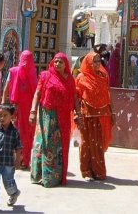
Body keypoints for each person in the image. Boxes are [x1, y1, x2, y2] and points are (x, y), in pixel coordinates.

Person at [29, 52, 80, 187]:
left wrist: (78, 113)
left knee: (59, 147)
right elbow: (38, 93)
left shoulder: (69, 79)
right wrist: (33, 111)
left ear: (66, 64)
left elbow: (74, 97)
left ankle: (54, 178)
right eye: (55, 61)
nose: (57, 64)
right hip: (47, 116)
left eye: (60, 62)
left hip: (63, 118)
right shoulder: (46, 76)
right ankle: (40, 175)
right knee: (44, 144)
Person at [75, 52, 114, 181]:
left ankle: (98, 171)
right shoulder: (81, 77)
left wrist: (112, 112)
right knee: (86, 144)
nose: (97, 64)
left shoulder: (103, 76)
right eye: (94, 62)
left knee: (98, 144)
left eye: (99, 61)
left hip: (101, 115)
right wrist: (77, 113)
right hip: (86, 115)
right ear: (88, 63)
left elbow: (108, 95)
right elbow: (76, 96)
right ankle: (86, 172)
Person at [1, 50, 37, 169]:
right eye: (24, 60)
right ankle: (14, 159)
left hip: (28, 110)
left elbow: (37, 92)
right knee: (14, 132)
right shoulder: (13, 71)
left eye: (28, 60)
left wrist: (35, 109)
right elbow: (6, 89)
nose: (25, 63)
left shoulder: (33, 73)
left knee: (28, 135)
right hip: (15, 108)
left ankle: (25, 160)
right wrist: (2, 106)